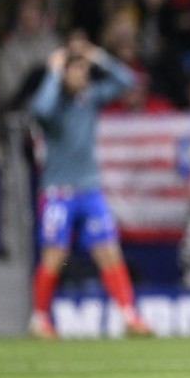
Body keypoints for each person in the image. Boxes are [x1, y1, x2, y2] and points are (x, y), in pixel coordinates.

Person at [28, 37, 151, 338]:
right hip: (58, 191)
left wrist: (96, 55)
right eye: (76, 70)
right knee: (54, 255)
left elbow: (127, 80)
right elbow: (39, 109)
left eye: (85, 70)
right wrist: (54, 71)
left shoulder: (89, 98)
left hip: (89, 189)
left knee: (108, 251)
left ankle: (128, 314)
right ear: (64, 73)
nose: (83, 75)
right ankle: (39, 318)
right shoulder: (54, 105)